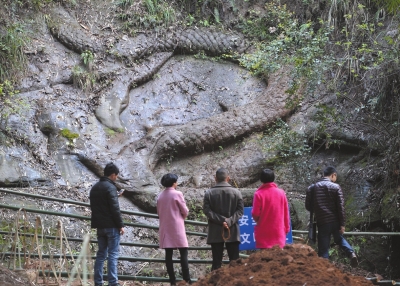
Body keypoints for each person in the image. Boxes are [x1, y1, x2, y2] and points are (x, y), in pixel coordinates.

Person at [305, 166, 358, 267]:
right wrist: (342, 224)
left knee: (323, 249)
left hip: (323, 222)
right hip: (335, 221)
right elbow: (341, 208)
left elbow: (308, 207)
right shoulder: (336, 187)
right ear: (333, 175)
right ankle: (351, 253)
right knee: (339, 239)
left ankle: (325, 271)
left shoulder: (313, 188)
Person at [90, 162, 125, 286]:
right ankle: (113, 283)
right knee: (113, 255)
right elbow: (114, 208)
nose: (116, 177)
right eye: (116, 175)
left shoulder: (95, 187)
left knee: (101, 254)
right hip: (111, 226)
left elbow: (98, 206)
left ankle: (98, 282)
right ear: (113, 175)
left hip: (100, 226)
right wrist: (120, 225)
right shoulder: (111, 188)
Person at [203, 168, 244, 271]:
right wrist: (229, 221)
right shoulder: (236, 192)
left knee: (216, 262)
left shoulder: (209, 193)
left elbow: (207, 210)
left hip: (216, 230)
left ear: (215, 178)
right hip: (232, 230)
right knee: (234, 262)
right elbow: (240, 211)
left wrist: (222, 220)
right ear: (228, 178)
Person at [157, 173, 192, 286]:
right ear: (173, 183)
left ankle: (172, 281)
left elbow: (159, 212)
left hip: (165, 227)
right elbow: (185, 211)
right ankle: (187, 280)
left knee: (168, 254)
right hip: (177, 226)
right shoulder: (177, 194)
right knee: (183, 253)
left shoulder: (160, 196)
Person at [251, 169, 290, 249]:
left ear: (261, 179)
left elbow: (255, 213)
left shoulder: (258, 194)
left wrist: (259, 220)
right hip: (279, 232)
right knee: (278, 259)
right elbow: (286, 213)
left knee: (265, 259)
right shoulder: (281, 193)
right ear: (273, 178)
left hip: (264, 233)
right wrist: (286, 228)